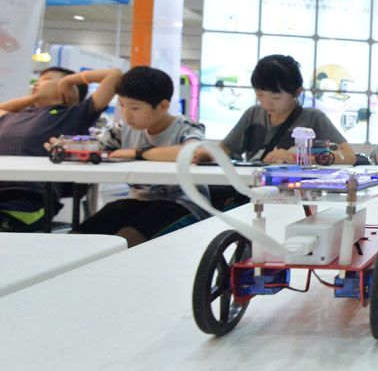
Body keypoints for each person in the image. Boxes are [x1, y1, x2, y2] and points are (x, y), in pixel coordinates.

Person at [71, 66, 205, 246]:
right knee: (79, 236)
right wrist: (68, 146)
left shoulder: (187, 128)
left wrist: (138, 153)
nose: (127, 115)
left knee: (126, 240)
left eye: (135, 108)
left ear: (163, 106)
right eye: (122, 105)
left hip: (184, 203)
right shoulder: (123, 129)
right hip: (137, 201)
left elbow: (194, 153)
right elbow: (97, 150)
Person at [0, 67, 121, 232]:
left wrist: (68, 81)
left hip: (26, 201)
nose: (37, 84)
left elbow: (114, 75)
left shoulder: (73, 114)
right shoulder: (15, 116)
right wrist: (34, 98)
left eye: (47, 79)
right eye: (38, 80)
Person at [198, 54, 355, 165]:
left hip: (298, 195)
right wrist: (207, 155)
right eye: (260, 95)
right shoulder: (253, 114)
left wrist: (299, 158)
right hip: (256, 192)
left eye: (276, 97)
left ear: (297, 92)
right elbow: (226, 148)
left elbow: (349, 156)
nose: (267, 103)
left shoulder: (313, 118)